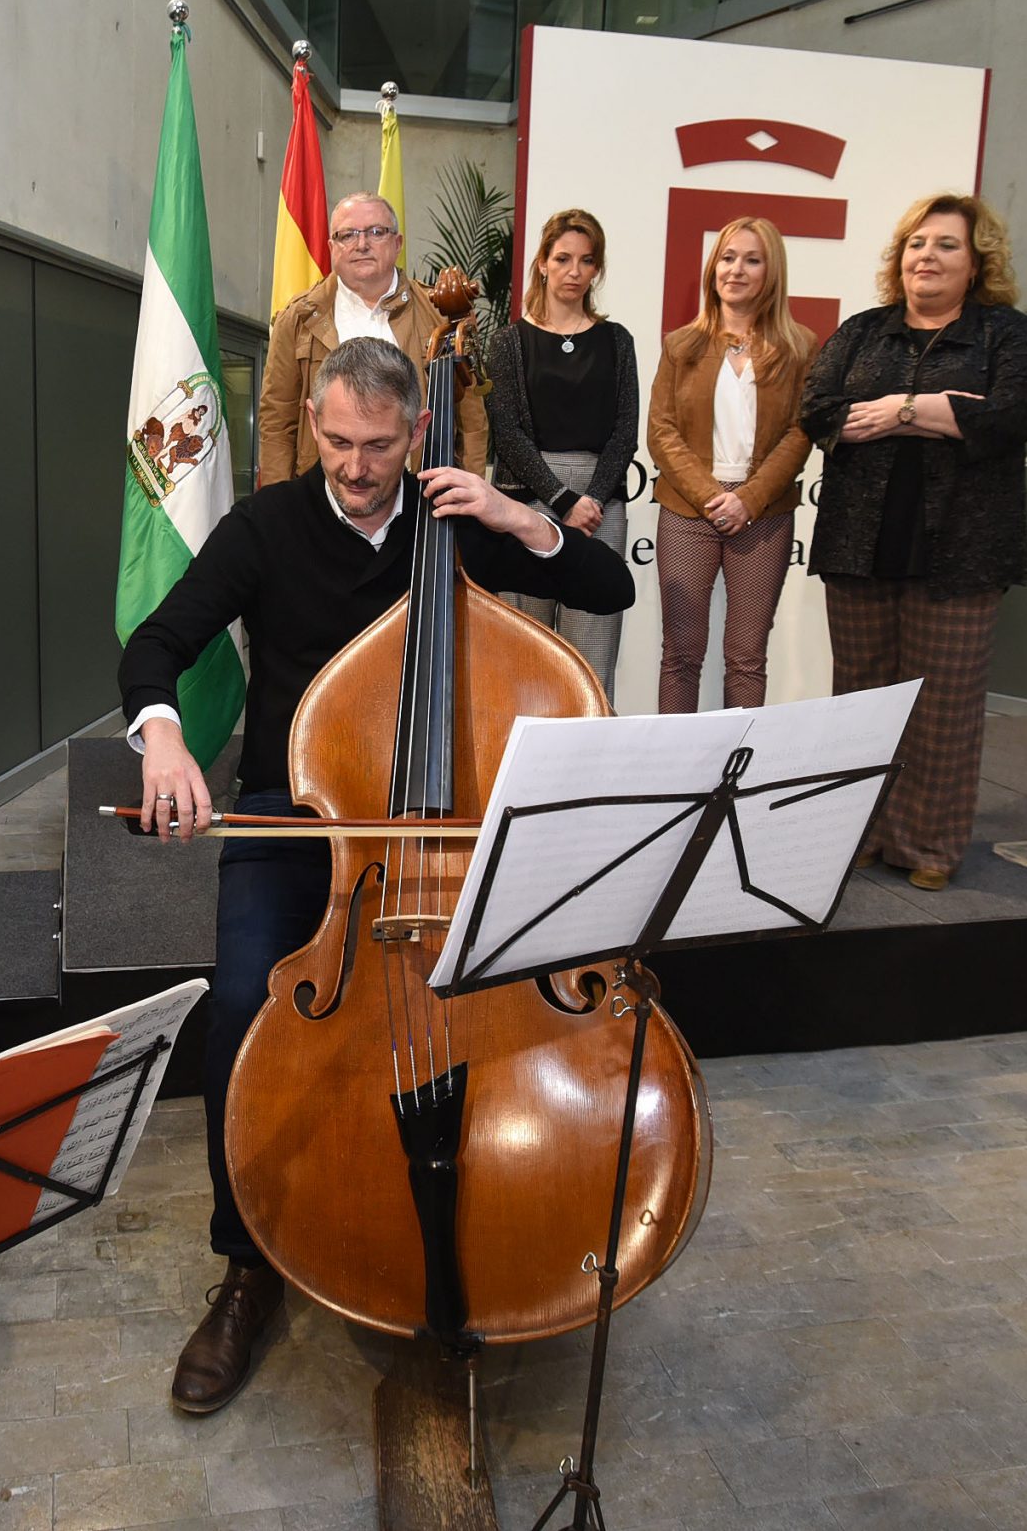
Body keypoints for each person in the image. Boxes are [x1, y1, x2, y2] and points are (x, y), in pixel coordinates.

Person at [120, 337, 632, 1415]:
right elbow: (157, 642)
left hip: (442, 832)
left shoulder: (452, 521)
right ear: (313, 424)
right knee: (243, 1002)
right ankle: (245, 1263)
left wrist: (517, 519)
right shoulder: (266, 525)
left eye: (379, 445)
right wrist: (163, 740)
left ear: (414, 431)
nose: (357, 467)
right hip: (298, 815)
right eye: (339, 441)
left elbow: (602, 583)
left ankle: (497, 1204)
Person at [801, 194, 1027, 890]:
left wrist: (904, 410)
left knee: (943, 705)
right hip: (861, 545)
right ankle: (864, 830)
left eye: (945, 245)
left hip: (962, 553)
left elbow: (1015, 413)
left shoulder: (1007, 333)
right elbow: (819, 409)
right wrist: (944, 414)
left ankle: (930, 843)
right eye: (916, 243)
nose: (927, 257)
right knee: (862, 701)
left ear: (976, 263)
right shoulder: (862, 331)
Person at [646, 217, 815, 713]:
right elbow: (661, 431)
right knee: (680, 656)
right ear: (712, 268)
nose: (736, 270)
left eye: (752, 259)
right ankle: (673, 778)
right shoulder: (682, 344)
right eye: (727, 257)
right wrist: (711, 496)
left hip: (764, 515)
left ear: (772, 272)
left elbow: (801, 432)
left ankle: (735, 780)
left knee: (746, 660)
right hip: (686, 513)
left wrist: (748, 499)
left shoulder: (800, 347)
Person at [481, 207, 639, 694]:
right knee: (525, 655)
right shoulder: (508, 342)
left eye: (586, 261)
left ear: (597, 269)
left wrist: (589, 500)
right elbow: (506, 432)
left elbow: (625, 431)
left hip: (600, 506)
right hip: (526, 500)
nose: (574, 271)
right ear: (543, 264)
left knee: (591, 661)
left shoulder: (617, 340)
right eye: (564, 258)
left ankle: (591, 766)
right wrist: (563, 501)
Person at [256, 193, 487, 486]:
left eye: (376, 232)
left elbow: (471, 421)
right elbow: (277, 423)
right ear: (331, 247)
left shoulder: (440, 313)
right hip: (323, 492)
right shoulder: (298, 318)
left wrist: (470, 495)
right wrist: (279, 503)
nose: (361, 244)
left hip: (416, 492)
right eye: (347, 235)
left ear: (397, 243)